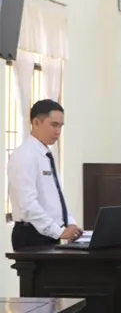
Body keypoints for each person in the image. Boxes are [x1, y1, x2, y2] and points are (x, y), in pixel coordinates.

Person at [8, 99, 82, 250]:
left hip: (49, 233)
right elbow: (27, 204)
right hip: (32, 234)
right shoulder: (25, 155)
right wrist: (58, 232)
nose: (58, 132)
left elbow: (55, 197)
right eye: (54, 125)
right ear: (36, 123)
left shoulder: (45, 154)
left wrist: (70, 223)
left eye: (60, 126)